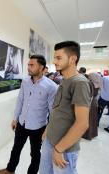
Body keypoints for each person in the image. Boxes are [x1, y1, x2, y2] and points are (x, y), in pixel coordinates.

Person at [0, 55, 58, 174]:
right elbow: (20, 100)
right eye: (28, 65)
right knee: (16, 149)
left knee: (35, 154)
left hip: (38, 127)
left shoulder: (51, 87)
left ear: (41, 67)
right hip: (22, 123)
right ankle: (10, 170)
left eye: (32, 65)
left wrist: (48, 129)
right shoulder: (25, 81)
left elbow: (53, 111)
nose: (28, 67)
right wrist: (15, 118)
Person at [39, 41, 91, 174]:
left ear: (73, 59)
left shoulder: (80, 83)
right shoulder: (65, 80)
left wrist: (59, 149)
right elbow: (58, 110)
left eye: (59, 58)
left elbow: (82, 124)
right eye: (55, 57)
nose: (54, 61)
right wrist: (48, 129)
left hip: (64, 149)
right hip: (51, 140)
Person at [98, 67, 109, 134]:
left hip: (103, 98)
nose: (108, 70)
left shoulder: (105, 78)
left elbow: (100, 86)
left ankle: (96, 123)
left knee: (99, 111)